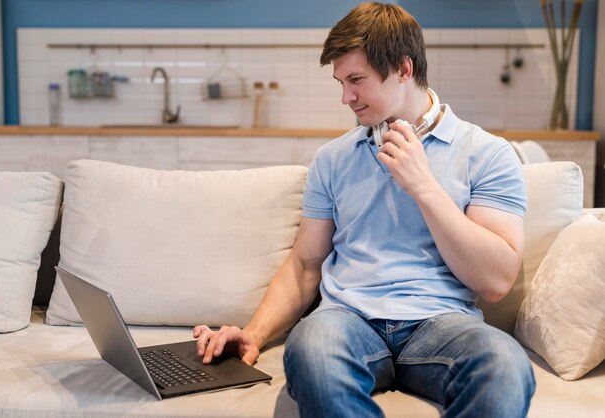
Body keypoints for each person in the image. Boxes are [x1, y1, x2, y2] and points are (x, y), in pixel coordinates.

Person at [193, 3, 536, 417]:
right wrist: (253, 333)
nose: (345, 97)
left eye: (356, 80)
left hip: (442, 323)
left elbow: (496, 281)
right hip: (347, 321)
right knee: (310, 351)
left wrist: (423, 186)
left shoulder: (486, 154)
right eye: (340, 82)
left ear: (404, 69)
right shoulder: (333, 159)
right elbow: (305, 264)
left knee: (506, 366)